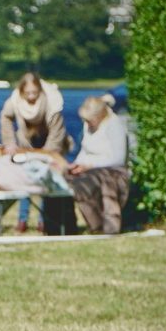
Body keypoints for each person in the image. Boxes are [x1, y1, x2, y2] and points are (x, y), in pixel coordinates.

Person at [0, 72, 72, 232]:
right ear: (22, 91)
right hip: (27, 141)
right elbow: (5, 117)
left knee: (45, 176)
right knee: (25, 176)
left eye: (34, 93)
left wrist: (47, 156)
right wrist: (9, 142)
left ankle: (43, 220)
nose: (31, 96)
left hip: (51, 141)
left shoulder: (52, 103)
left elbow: (56, 135)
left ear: (40, 91)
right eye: (28, 93)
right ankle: (22, 220)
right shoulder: (15, 101)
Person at [65, 96, 129, 234]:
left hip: (114, 171)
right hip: (91, 169)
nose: (87, 123)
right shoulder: (88, 124)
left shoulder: (114, 124)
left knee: (104, 181)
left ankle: (110, 227)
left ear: (100, 115)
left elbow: (118, 159)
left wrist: (90, 165)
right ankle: (93, 226)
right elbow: (85, 150)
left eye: (90, 120)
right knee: (72, 181)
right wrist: (76, 165)